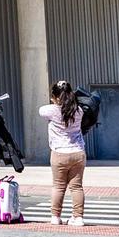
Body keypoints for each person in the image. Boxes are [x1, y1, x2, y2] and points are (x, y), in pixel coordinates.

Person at [39, 81, 89, 227]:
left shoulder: (52, 110)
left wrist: (54, 101)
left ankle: (55, 217)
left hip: (59, 153)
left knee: (58, 186)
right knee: (77, 187)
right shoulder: (79, 110)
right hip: (78, 152)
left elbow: (41, 110)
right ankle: (78, 217)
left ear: (54, 96)